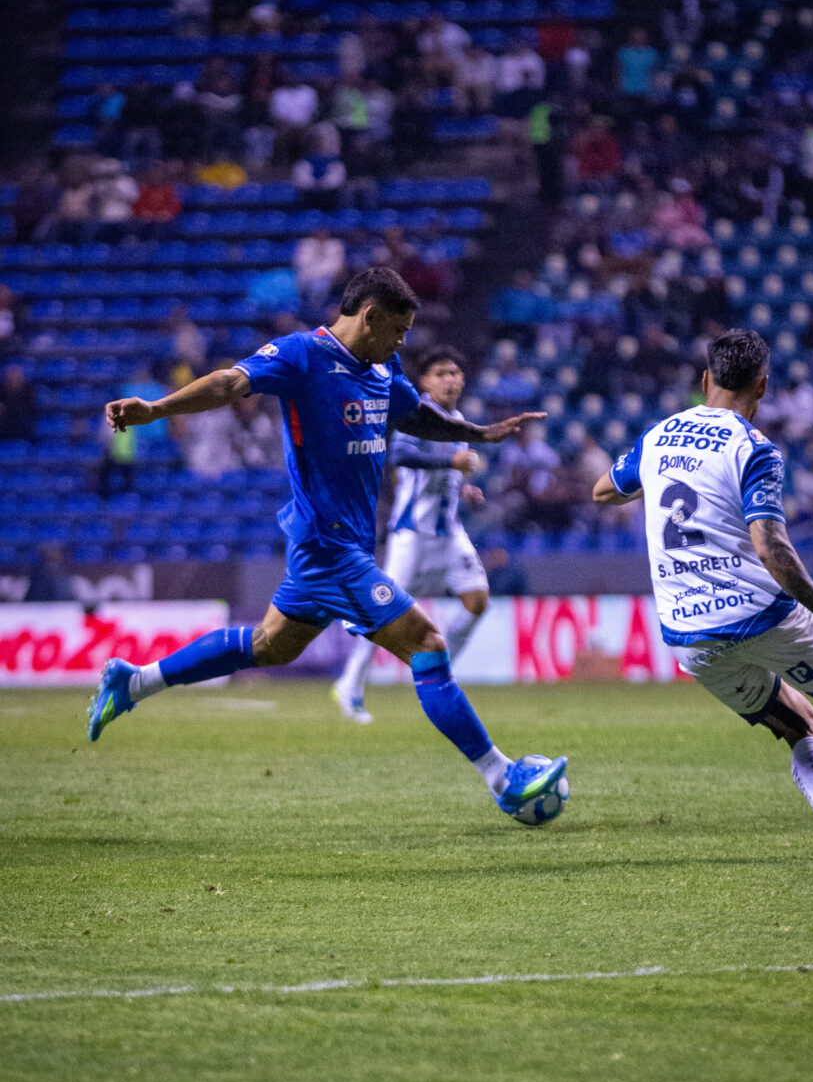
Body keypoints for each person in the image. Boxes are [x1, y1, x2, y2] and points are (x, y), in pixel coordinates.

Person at [86, 268, 566, 823]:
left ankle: (134, 680)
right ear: (371, 316)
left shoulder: (380, 368)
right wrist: (157, 409)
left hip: (347, 545)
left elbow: (417, 417)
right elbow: (228, 382)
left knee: (271, 647)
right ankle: (504, 777)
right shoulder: (301, 356)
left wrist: (479, 434)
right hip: (328, 546)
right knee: (427, 641)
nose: (403, 342)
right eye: (400, 330)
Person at [592, 327, 813, 856]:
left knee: (800, 725)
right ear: (762, 387)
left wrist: (649, 481)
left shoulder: (657, 437)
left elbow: (603, 490)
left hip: (686, 631)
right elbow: (771, 547)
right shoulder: (755, 449)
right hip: (755, 612)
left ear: (705, 380)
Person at [333, 346, 490, 723]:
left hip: (449, 531)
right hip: (411, 534)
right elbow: (400, 456)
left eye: (455, 372)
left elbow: (440, 475)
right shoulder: (417, 415)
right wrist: (450, 462)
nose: (450, 379)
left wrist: (461, 487)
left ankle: (437, 676)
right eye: (441, 373)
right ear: (425, 382)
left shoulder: (459, 420)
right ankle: (350, 682)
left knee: (478, 600)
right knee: (382, 613)